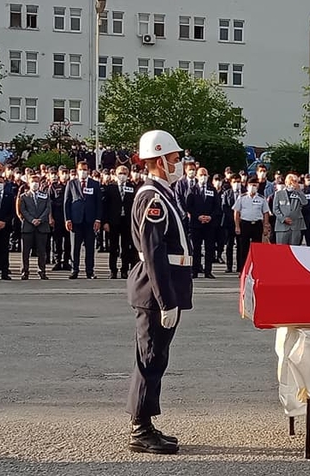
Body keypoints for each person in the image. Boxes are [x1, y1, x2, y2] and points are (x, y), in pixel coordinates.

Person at [125, 130, 191, 455]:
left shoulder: (164, 193)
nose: (180, 164)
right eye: (175, 159)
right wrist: (166, 301)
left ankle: (146, 424)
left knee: (156, 358)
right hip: (155, 291)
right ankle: (140, 429)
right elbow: (153, 253)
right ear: (161, 160)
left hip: (165, 287)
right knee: (149, 359)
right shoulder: (153, 198)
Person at [64, 161, 103, 279]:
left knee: (90, 248)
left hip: (90, 220)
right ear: (77, 171)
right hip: (76, 220)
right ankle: (74, 270)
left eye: (85, 170)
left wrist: (98, 219)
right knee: (75, 247)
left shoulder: (95, 184)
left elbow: (99, 203)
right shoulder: (71, 183)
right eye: (81, 169)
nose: (83, 172)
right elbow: (67, 202)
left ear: (89, 171)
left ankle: (90, 271)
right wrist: (67, 219)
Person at [186, 167, 222, 279]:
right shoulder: (192, 189)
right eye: (201, 175)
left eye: (205, 175)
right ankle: (195, 271)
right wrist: (198, 216)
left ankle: (208, 271)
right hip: (196, 224)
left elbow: (217, 207)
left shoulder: (212, 190)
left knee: (209, 248)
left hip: (210, 224)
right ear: (197, 176)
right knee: (196, 249)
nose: (203, 177)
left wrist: (210, 217)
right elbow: (189, 206)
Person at [103, 166, 136, 279]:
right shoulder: (110, 188)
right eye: (120, 173)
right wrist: (105, 222)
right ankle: (113, 270)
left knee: (126, 247)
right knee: (113, 247)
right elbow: (105, 206)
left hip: (126, 221)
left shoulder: (132, 187)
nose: (122, 175)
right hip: (113, 221)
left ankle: (124, 270)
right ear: (116, 174)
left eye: (125, 173)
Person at [233, 176, 270, 273]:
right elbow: (237, 212)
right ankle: (243, 270)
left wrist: (265, 227)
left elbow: (266, 213)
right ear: (247, 186)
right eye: (251, 185)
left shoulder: (262, 198)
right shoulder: (242, 197)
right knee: (243, 248)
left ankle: (255, 269)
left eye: (255, 185)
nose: (253, 187)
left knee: (257, 248)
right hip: (245, 224)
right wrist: (237, 226)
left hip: (257, 225)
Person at [18, 175, 52, 279]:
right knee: (25, 251)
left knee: (42, 251)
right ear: (29, 183)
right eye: (33, 181)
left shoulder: (45, 195)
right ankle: (25, 271)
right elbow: (22, 210)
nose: (35, 184)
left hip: (42, 226)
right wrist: (32, 219)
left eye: (37, 181)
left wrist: (40, 219)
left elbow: (48, 208)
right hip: (28, 226)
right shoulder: (24, 196)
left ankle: (42, 271)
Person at [272, 174, 308, 246]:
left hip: (296, 226)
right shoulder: (278, 193)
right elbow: (275, 209)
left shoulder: (298, 193)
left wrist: (299, 191)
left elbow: (305, 202)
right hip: (282, 226)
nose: (293, 183)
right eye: (292, 181)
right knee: (281, 249)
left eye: (295, 181)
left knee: (294, 248)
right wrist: (283, 218)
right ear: (286, 182)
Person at [49, 167, 71, 271]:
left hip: (69, 217)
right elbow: (49, 203)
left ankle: (66, 261)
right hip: (57, 217)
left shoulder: (72, 185)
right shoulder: (53, 186)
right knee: (57, 240)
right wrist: (50, 217)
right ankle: (57, 261)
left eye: (66, 172)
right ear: (59, 174)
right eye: (63, 173)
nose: (65, 175)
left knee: (68, 241)